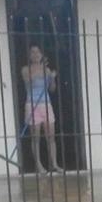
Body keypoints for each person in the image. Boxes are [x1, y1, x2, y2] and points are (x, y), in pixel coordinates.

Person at [21, 45, 64, 174]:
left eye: (37, 52)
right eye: (32, 52)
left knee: (50, 136)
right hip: (32, 104)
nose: (35, 54)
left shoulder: (47, 70)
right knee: (36, 137)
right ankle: (39, 165)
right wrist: (41, 68)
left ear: (41, 54)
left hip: (46, 104)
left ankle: (54, 164)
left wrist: (52, 78)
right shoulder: (25, 69)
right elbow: (29, 81)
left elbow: (52, 89)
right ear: (29, 56)